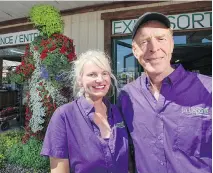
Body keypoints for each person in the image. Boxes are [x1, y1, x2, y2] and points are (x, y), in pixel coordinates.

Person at [118, 12, 212, 173]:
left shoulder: (208, 89)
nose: (154, 48)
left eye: (161, 39)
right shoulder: (127, 96)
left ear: (172, 44)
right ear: (134, 50)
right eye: (144, 41)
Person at [41, 50, 129, 173]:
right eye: (92, 74)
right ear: (79, 80)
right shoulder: (64, 116)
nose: (100, 79)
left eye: (105, 73)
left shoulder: (117, 112)